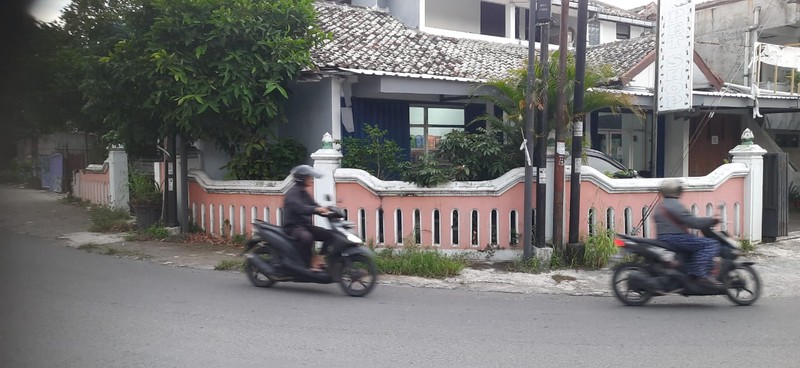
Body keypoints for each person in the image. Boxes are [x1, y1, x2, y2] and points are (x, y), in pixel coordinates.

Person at [653, 178, 722, 287]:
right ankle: (700, 274)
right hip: (677, 238)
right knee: (711, 244)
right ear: (677, 191)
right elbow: (693, 222)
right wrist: (711, 220)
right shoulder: (674, 205)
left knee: (697, 243)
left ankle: (690, 271)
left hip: (664, 238)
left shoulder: (660, 206)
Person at [283, 165, 333, 271]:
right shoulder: (292, 193)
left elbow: (313, 205)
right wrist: (317, 210)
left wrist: (327, 210)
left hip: (305, 226)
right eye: (309, 177)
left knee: (330, 234)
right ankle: (308, 262)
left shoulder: (304, 192)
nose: (311, 179)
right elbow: (300, 208)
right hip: (293, 227)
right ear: (302, 179)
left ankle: (319, 259)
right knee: (307, 238)